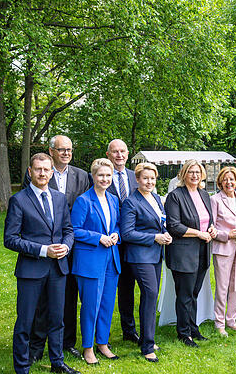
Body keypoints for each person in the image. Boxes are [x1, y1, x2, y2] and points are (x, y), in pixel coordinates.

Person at [3, 153, 78, 374]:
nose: (42, 173)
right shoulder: (19, 200)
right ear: (30, 172)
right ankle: (22, 367)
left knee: (57, 319)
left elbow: (68, 230)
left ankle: (57, 362)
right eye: (38, 169)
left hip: (58, 269)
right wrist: (43, 250)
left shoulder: (59, 198)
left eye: (46, 170)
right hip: (31, 270)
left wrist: (66, 246)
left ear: (52, 172)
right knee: (25, 322)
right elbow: (10, 239)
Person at [24, 135, 91, 361]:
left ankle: (66, 342)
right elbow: (30, 207)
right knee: (43, 300)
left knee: (69, 296)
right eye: (61, 149)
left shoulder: (82, 176)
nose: (66, 153)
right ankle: (37, 345)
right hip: (44, 244)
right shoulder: (39, 173)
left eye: (69, 150)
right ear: (51, 151)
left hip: (72, 243)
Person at [119, 162, 172, 362]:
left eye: (152, 178)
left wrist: (165, 234)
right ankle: (147, 346)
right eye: (145, 178)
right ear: (137, 179)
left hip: (156, 254)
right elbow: (127, 233)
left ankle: (145, 338)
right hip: (139, 256)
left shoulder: (157, 198)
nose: (149, 182)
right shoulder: (131, 202)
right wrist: (154, 238)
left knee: (150, 297)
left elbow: (161, 222)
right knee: (150, 295)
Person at [70, 158, 121, 365]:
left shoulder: (113, 200)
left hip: (111, 259)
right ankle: (88, 347)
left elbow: (116, 224)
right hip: (90, 260)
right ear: (93, 176)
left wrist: (116, 234)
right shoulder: (83, 200)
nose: (105, 179)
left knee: (107, 304)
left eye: (108, 175)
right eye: (101, 175)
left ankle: (103, 343)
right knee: (91, 305)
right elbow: (74, 230)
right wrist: (98, 237)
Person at [164, 159, 215, 348]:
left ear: (202, 174)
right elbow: (174, 226)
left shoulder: (204, 194)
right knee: (185, 295)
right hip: (183, 252)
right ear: (183, 174)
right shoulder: (175, 196)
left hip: (202, 250)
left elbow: (207, 220)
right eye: (190, 171)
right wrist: (199, 233)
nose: (194, 175)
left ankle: (193, 329)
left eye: (197, 172)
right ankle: (184, 333)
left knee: (194, 293)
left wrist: (211, 230)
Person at [105, 139, 141, 345]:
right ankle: (103, 334)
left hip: (132, 241)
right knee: (108, 288)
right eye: (115, 152)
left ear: (128, 154)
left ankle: (129, 330)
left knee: (128, 288)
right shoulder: (102, 176)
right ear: (108, 154)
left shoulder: (134, 177)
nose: (119, 155)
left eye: (122, 151)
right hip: (110, 241)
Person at [211, 166, 236, 336]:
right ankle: (219, 323)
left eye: (232, 179)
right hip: (223, 248)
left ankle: (232, 320)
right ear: (220, 181)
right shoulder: (215, 200)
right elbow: (211, 227)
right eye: (225, 179)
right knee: (222, 287)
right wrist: (227, 234)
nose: (229, 182)